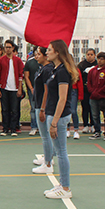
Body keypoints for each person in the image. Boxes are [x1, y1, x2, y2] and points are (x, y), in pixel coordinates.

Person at [38, 39, 78, 199]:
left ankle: (66, 188)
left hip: (59, 117)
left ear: (57, 52)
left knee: (61, 152)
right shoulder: (56, 69)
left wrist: (54, 122)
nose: (46, 52)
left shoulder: (62, 72)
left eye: (49, 50)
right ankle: (62, 184)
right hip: (53, 115)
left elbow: (62, 99)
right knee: (60, 151)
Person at [31, 47, 54, 169]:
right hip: (38, 103)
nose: (36, 56)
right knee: (44, 135)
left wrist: (42, 109)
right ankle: (47, 157)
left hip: (42, 105)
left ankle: (48, 162)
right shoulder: (42, 69)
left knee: (45, 135)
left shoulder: (47, 70)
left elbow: (46, 90)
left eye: (39, 54)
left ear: (45, 56)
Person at [0, 40, 24, 137]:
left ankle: (13, 129)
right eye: (6, 47)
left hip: (15, 89)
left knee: (15, 109)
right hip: (4, 88)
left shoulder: (18, 61)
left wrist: (20, 88)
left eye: (9, 47)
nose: (8, 49)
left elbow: (21, 75)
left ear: (13, 48)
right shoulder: (1, 60)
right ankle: (5, 128)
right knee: (5, 109)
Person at [87, 52, 105, 141]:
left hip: (104, 97)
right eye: (98, 58)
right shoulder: (92, 70)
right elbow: (89, 83)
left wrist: (99, 92)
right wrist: (92, 92)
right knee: (95, 115)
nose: (100, 60)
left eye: (102, 59)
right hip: (93, 97)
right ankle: (97, 132)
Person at [78, 49, 98, 133]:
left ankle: (93, 125)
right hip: (85, 90)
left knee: (93, 108)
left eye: (91, 54)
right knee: (85, 108)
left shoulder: (97, 64)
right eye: (88, 54)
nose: (90, 56)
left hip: (95, 90)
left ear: (94, 55)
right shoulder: (81, 65)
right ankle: (85, 125)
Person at [23, 46, 40, 136]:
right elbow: (26, 77)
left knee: (42, 108)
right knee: (33, 108)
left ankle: (42, 127)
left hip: (43, 90)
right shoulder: (29, 62)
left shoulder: (46, 62)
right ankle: (34, 127)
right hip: (32, 89)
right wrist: (31, 88)